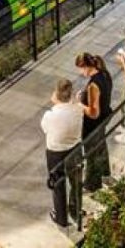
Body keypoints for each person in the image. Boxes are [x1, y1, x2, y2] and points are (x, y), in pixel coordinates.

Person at [41, 78, 84, 227]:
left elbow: (45, 129)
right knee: (76, 181)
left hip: (55, 152)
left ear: (57, 94)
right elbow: (75, 106)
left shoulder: (50, 115)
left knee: (58, 184)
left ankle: (61, 217)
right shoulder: (78, 109)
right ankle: (76, 210)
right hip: (75, 148)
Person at [75, 53, 112, 192]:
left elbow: (93, 112)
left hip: (93, 124)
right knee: (101, 145)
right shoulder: (105, 74)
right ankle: (105, 173)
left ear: (85, 66)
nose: (80, 72)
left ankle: (92, 183)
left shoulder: (93, 85)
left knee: (91, 153)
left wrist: (79, 104)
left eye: (80, 69)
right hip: (105, 116)